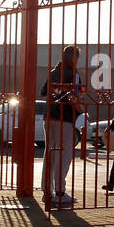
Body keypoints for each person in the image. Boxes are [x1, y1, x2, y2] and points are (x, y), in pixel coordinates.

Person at [41, 45, 83, 208]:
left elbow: (43, 91)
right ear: (75, 58)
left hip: (49, 116)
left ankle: (47, 190)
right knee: (64, 154)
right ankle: (59, 192)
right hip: (65, 118)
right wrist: (81, 110)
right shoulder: (74, 74)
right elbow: (73, 97)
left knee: (49, 152)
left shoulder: (53, 72)